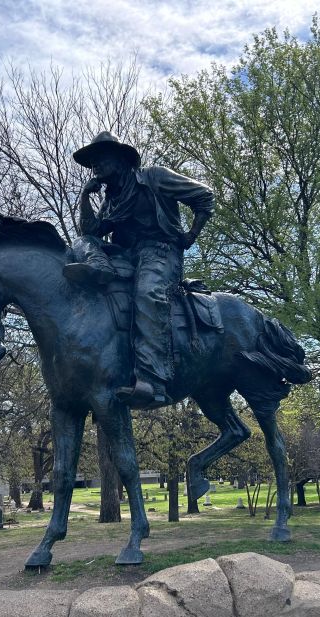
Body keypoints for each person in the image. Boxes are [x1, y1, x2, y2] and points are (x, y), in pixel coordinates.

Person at [66, 131, 214, 409]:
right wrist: (85, 196)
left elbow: (204, 196)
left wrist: (191, 235)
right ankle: (100, 268)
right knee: (80, 243)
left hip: (160, 251)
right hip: (123, 256)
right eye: (92, 162)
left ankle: (152, 379)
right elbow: (91, 232)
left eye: (101, 159)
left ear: (120, 159)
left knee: (147, 293)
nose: (95, 166)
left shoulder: (155, 177)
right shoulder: (111, 199)